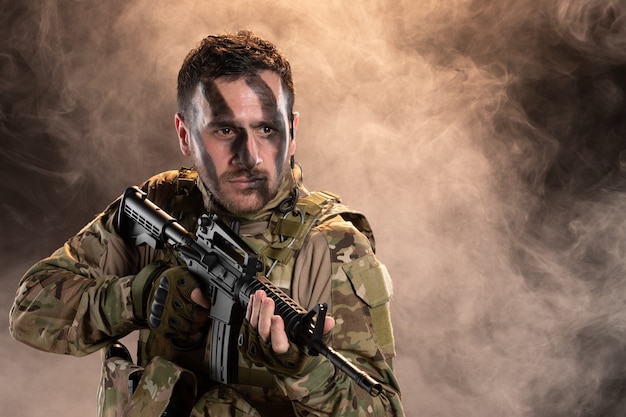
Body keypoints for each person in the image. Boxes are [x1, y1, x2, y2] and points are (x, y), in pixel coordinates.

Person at [9, 30, 404, 417]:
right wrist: (138, 296)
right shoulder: (164, 204)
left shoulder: (335, 247)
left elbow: (383, 409)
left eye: (267, 128)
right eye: (225, 129)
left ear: (293, 131)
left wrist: (306, 371)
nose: (249, 155)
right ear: (185, 135)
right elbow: (30, 309)